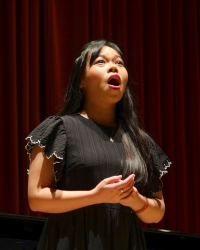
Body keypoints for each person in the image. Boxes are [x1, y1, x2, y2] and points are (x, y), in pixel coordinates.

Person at [25, 39, 171, 250]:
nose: (114, 66)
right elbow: (37, 198)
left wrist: (136, 200)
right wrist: (96, 196)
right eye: (101, 61)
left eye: (119, 63)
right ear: (80, 81)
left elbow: (157, 211)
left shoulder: (140, 141)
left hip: (125, 241)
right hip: (73, 240)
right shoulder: (59, 128)